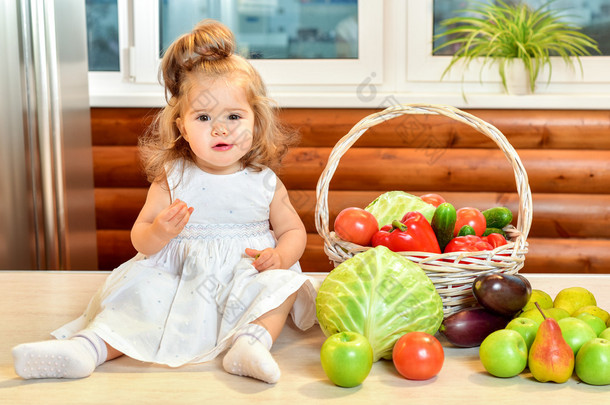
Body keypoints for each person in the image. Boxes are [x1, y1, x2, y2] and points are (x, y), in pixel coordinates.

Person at [12, 19, 318, 385]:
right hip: (177, 276)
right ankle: (85, 349)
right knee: (136, 296)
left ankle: (250, 344)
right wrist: (159, 231)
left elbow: (293, 232)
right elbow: (140, 238)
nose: (220, 128)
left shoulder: (264, 182)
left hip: (244, 274)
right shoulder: (173, 178)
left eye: (234, 116)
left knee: (279, 288)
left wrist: (281, 257)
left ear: (256, 122)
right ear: (182, 127)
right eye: (204, 117)